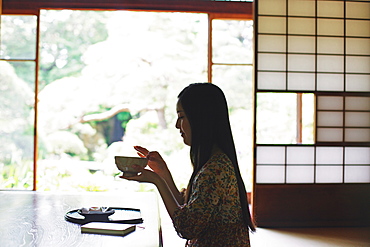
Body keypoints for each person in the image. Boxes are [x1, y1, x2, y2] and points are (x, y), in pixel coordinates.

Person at [121, 83, 255, 246]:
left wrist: (156, 180)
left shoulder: (215, 168)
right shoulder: (213, 161)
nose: (177, 125)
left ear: (201, 118)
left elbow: (187, 227)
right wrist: (163, 173)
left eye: (182, 116)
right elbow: (187, 207)